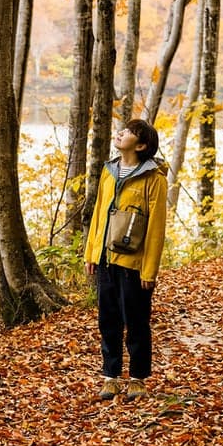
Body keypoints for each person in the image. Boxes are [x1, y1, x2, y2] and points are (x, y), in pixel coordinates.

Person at [82, 119, 168, 401]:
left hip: (134, 264)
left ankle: (138, 379)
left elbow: (156, 227)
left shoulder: (154, 180)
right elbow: (98, 213)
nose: (121, 133)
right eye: (122, 129)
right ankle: (111, 376)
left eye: (129, 132)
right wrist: (92, 253)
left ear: (141, 145)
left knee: (137, 321)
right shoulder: (109, 171)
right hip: (106, 259)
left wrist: (149, 269)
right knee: (108, 320)